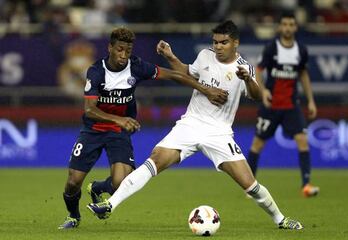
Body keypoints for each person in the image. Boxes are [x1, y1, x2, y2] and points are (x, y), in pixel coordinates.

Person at [88, 20, 304, 230]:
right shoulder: (205, 56)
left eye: (223, 42)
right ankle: (109, 205)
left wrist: (247, 79)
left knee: (251, 185)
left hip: (219, 133)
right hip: (190, 124)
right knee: (155, 160)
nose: (218, 47)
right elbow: (187, 72)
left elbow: (257, 95)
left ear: (235, 43)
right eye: (215, 42)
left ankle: (281, 220)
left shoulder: (244, 68)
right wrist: (171, 57)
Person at [58, 26, 228, 229]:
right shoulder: (96, 71)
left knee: (121, 182)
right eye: (119, 49)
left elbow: (174, 75)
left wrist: (206, 90)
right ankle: (73, 216)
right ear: (110, 48)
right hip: (93, 130)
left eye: (127, 51)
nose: (123, 55)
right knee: (73, 182)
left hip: (118, 133)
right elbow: (89, 110)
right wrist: (120, 119)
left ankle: (97, 187)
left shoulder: (136, 67)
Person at [246, 12, 319, 197]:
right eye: (284, 24)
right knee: (257, 144)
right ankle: (249, 185)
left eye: (291, 24)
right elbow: (258, 70)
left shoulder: (301, 50)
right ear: (280, 27)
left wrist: (310, 100)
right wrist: (263, 91)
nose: (287, 27)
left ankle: (306, 185)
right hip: (271, 106)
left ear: (295, 27)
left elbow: (303, 74)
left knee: (302, 141)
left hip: (291, 106)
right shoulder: (272, 48)